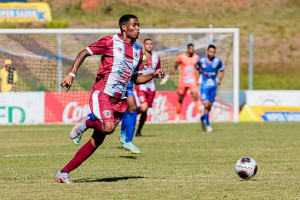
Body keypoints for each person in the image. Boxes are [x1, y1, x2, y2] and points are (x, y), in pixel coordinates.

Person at [55, 14, 164, 184]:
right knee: (109, 127)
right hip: (103, 93)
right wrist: (71, 74)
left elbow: (136, 79)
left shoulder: (138, 50)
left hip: (120, 100)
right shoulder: (110, 42)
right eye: (134, 25)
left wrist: (153, 75)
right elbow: (84, 52)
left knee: (97, 140)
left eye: (139, 25)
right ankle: (87, 122)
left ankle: (63, 172)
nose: (138, 29)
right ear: (124, 27)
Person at [160, 44, 200, 122]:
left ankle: (198, 115)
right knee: (180, 98)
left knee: (195, 96)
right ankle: (177, 116)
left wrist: (199, 79)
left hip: (192, 81)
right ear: (188, 49)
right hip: (183, 81)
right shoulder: (181, 57)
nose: (192, 50)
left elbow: (198, 69)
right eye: (190, 48)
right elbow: (175, 66)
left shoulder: (196, 57)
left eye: (193, 48)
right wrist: (167, 77)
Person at [135, 38, 161, 136]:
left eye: (151, 44)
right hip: (141, 87)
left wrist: (160, 74)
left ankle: (138, 131)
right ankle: (129, 113)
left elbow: (158, 70)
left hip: (152, 88)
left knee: (145, 111)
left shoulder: (156, 58)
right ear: (144, 45)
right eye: (147, 44)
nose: (149, 45)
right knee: (144, 107)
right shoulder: (140, 56)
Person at [197, 44, 225, 132]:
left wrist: (219, 79)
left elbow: (222, 70)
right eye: (210, 51)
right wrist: (198, 78)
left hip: (213, 86)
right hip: (204, 86)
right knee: (206, 104)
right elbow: (197, 68)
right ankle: (208, 125)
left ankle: (202, 118)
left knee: (209, 106)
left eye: (213, 52)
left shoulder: (217, 61)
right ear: (207, 51)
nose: (211, 53)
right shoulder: (201, 61)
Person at [119, 80, 140, 153]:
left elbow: (138, 78)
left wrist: (152, 75)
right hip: (112, 88)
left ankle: (128, 141)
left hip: (128, 88)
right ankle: (83, 126)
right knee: (108, 126)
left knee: (132, 108)